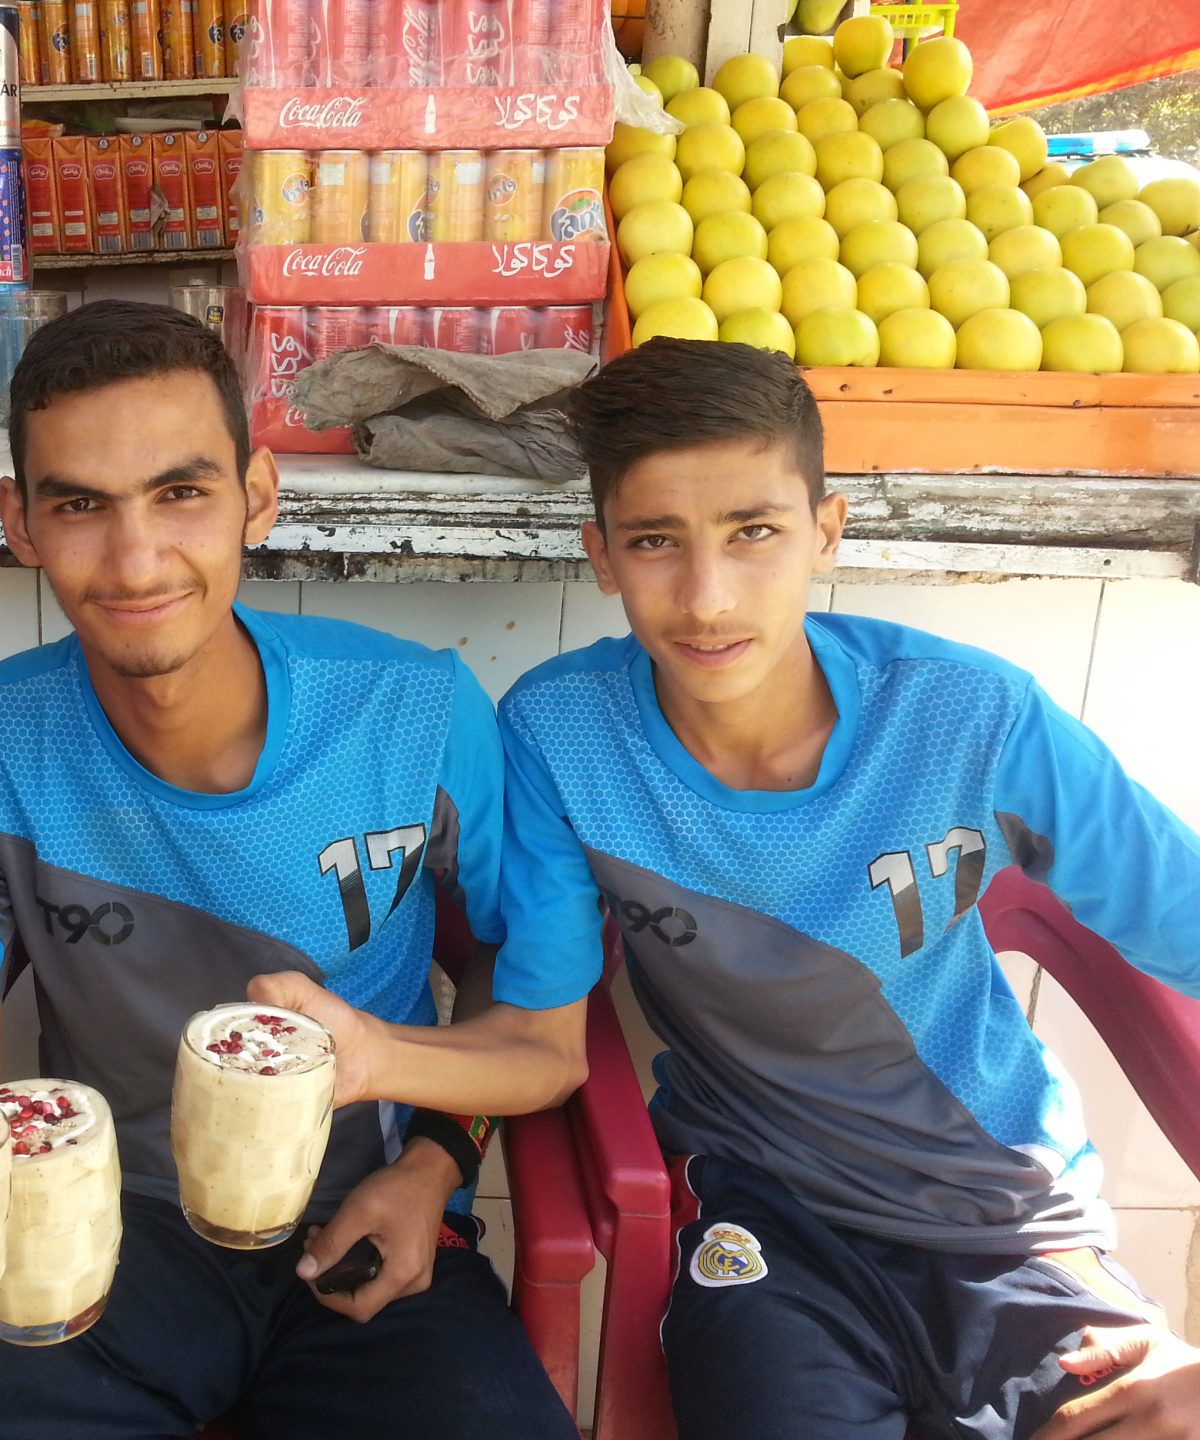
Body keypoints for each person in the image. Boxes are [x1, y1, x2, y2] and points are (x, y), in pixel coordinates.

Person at [0, 301, 584, 1440]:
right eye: (80, 505)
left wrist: (434, 1163)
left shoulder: (419, 712)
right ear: (20, 522)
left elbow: (541, 1037)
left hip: (364, 1221)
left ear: (256, 495)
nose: (137, 556)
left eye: (181, 492)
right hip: (104, 1234)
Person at [495, 338, 1200, 1440]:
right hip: (766, 1222)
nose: (707, 596)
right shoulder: (559, 733)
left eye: (755, 532)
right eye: (654, 542)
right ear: (601, 555)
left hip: (1011, 1223)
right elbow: (536, 1018)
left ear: (826, 531)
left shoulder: (970, 717)